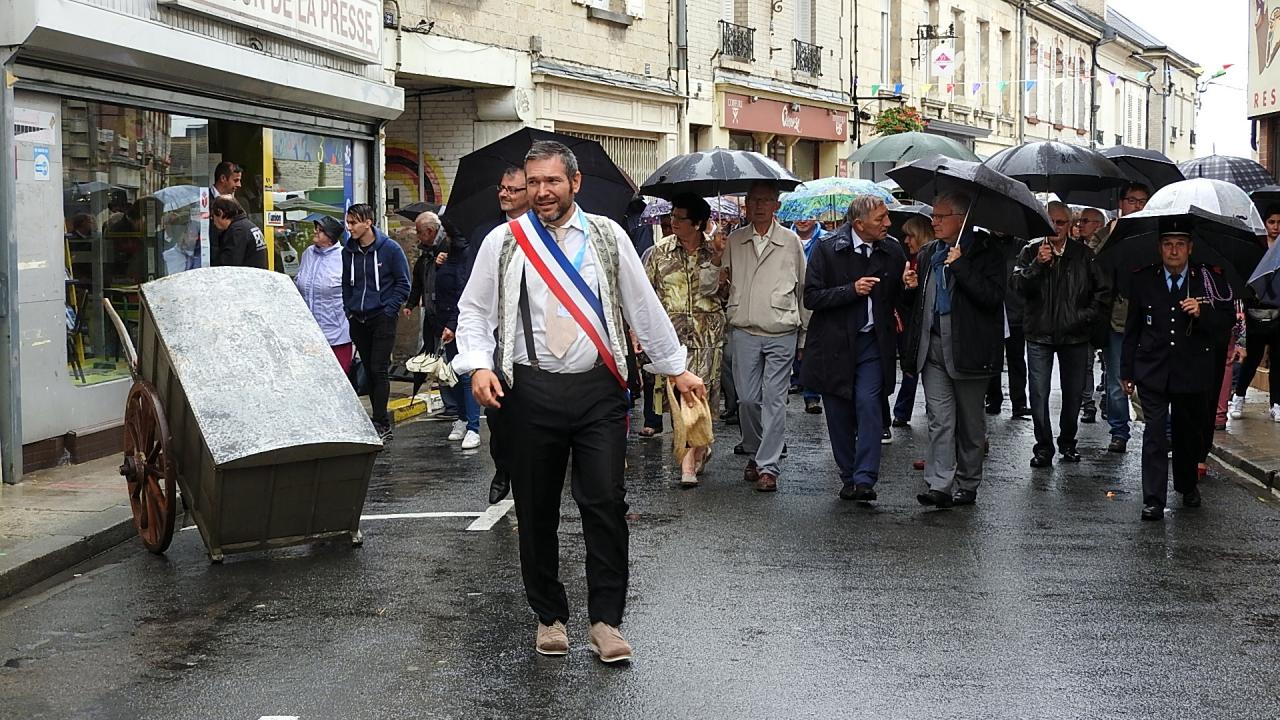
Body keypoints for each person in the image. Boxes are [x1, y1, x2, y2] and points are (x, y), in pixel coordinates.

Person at [453, 140, 704, 663]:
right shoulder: (504, 242)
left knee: (605, 503)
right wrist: (477, 363)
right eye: (533, 182)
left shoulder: (608, 238)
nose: (541, 192)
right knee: (536, 508)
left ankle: (606, 622)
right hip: (529, 391)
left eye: (552, 182)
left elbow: (643, 306)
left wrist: (675, 367)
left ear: (574, 184)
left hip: (598, 390)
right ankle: (549, 617)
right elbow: (474, 312)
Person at [901, 192, 1006, 507]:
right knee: (940, 419)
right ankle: (940, 484)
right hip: (931, 348)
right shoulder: (929, 253)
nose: (934, 222)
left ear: (962, 219)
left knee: (971, 424)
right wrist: (908, 288)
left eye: (941, 217)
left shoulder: (988, 252)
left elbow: (992, 298)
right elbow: (917, 306)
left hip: (969, 350)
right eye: (933, 216)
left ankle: (969, 483)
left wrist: (961, 266)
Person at [1122, 230, 1230, 521]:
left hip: (1191, 371)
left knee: (1186, 434)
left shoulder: (1207, 280)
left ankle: (1186, 484)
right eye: (1168, 245)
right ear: (1160, 248)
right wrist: (1126, 371)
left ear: (1190, 248)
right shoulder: (1144, 279)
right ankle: (1153, 499)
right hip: (1152, 369)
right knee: (1155, 434)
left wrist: (1203, 312)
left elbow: (1226, 322)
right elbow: (1132, 329)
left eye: (1180, 245)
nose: (1174, 251)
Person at [803, 195, 904, 501]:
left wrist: (907, 287)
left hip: (873, 342)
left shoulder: (892, 250)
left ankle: (865, 478)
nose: (888, 223)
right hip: (834, 345)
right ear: (859, 224)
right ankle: (848, 476)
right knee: (838, 413)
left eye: (887, 217)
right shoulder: (827, 249)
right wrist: (851, 290)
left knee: (868, 404)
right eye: (880, 219)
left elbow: (897, 298)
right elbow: (812, 297)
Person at [1012, 200, 1111, 467]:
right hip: (1039, 334)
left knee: (1073, 394)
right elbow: (1018, 287)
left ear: (1070, 226)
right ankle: (1043, 446)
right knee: (1039, 393)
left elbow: (1102, 292)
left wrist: (1084, 317)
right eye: (1051, 221)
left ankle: (1068, 442)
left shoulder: (1084, 254)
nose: (1055, 227)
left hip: (1075, 335)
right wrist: (1037, 266)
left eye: (1061, 222)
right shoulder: (1030, 250)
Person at [723, 181, 807, 493]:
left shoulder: (791, 241)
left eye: (766, 200)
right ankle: (756, 451)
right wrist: (717, 263)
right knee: (746, 399)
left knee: (774, 400)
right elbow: (718, 284)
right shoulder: (734, 240)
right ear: (745, 205)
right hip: (744, 328)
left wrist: (804, 337)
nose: (759, 205)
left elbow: (803, 290)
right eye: (753, 200)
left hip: (781, 328)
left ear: (776, 206)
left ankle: (768, 466)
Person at [643, 194, 728, 486]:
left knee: (702, 397)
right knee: (680, 400)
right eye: (672, 217)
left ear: (699, 223)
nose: (673, 223)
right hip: (672, 338)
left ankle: (695, 452)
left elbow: (726, 294)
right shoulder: (659, 252)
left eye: (680, 218)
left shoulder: (716, 250)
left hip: (709, 335)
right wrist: (639, 333)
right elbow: (646, 295)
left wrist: (717, 258)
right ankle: (690, 455)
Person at [463, 168, 531, 504]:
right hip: (495, 340)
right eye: (502, 189)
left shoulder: (546, 233)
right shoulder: (487, 234)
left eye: (513, 190)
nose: (505, 195)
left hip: (533, 341)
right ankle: (502, 469)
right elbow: (473, 292)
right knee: (499, 416)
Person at [343, 203, 411, 441]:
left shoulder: (390, 249)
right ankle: (376, 419)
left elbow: (404, 283)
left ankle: (382, 421)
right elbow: (346, 283)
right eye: (348, 222)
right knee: (369, 371)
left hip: (382, 317)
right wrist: (349, 308)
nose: (349, 227)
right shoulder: (348, 251)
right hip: (358, 318)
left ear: (368, 222)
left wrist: (389, 310)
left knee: (378, 368)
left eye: (353, 222)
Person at [1093, 183, 1152, 452]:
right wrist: (1112, 238)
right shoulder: (1106, 232)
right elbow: (1092, 264)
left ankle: (1160, 429)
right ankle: (1119, 431)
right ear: (1121, 203)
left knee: (1152, 378)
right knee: (1117, 379)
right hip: (1117, 318)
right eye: (1132, 200)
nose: (1137, 206)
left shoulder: (1153, 234)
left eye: (1142, 201)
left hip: (1149, 318)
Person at [1229, 204, 1280, 421]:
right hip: (1255, 310)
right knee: (1252, 358)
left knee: (1278, 359)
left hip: (1278, 310)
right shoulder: (1255, 247)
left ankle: (1276, 403)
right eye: (1272, 222)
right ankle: (1239, 397)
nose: (1276, 227)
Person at [435, 231, 481, 450]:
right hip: (446, 321)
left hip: (461, 323)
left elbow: (464, 292)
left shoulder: (467, 253)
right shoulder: (445, 251)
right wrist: (437, 265)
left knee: (465, 375)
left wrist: (453, 324)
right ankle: (462, 419)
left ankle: (473, 427)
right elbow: (441, 287)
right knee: (451, 374)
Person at [404, 211, 453, 416]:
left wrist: (446, 264)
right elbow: (418, 281)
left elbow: (457, 278)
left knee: (448, 360)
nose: (417, 236)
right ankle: (449, 403)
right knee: (435, 359)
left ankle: (455, 405)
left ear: (431, 231)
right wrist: (411, 303)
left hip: (446, 313)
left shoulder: (448, 250)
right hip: (431, 314)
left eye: (419, 232)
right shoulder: (426, 254)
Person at [296, 216, 352, 372]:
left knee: (337, 379)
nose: (315, 232)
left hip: (336, 333)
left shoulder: (344, 257)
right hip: (308, 332)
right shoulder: (308, 253)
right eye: (316, 228)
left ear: (331, 238)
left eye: (320, 231)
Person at [984, 230, 1030, 418]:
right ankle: (993, 399)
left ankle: (1019, 402)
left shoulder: (1021, 245)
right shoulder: (986, 243)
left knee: (1017, 359)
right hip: (993, 309)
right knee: (992, 359)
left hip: (1015, 309)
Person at [892, 215, 932, 427]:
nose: (906, 241)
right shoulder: (909, 261)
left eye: (910, 236)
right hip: (909, 325)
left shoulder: (931, 258)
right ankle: (902, 411)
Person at [791, 216, 825, 414]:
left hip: (813, 296)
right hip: (789, 295)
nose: (802, 221)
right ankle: (795, 380)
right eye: (799, 217)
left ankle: (812, 395)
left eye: (808, 217)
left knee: (812, 347)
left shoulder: (825, 240)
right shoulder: (786, 239)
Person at [209, 196, 267, 269]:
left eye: (212, 216)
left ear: (220, 212)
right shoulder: (249, 226)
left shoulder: (237, 231)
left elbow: (228, 265)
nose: (213, 222)